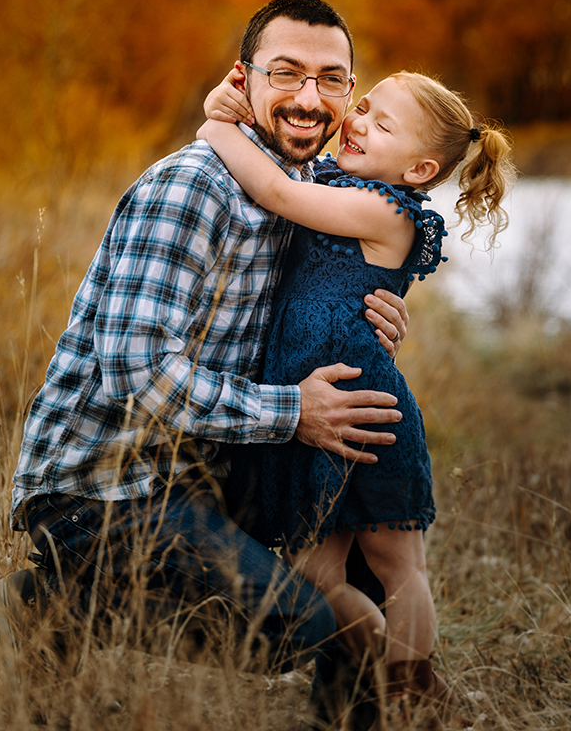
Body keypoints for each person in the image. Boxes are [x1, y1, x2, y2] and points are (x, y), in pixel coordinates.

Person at [3, 0, 410, 726]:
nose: (309, 98)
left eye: (331, 79)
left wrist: (371, 312)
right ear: (243, 79)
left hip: (210, 474)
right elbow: (136, 370)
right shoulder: (193, 188)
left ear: (351, 92)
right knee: (299, 624)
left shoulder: (308, 191)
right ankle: (58, 604)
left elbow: (329, 294)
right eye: (286, 73)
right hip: (104, 487)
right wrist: (295, 412)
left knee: (364, 583)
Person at [198, 64, 514, 714]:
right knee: (314, 573)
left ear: (419, 170)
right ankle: (375, 658)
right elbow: (295, 181)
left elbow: (279, 194)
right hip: (315, 410)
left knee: (397, 565)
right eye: (362, 106)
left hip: (368, 411)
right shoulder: (342, 182)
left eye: (381, 123)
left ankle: (412, 688)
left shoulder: (385, 209)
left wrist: (215, 125)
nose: (358, 121)